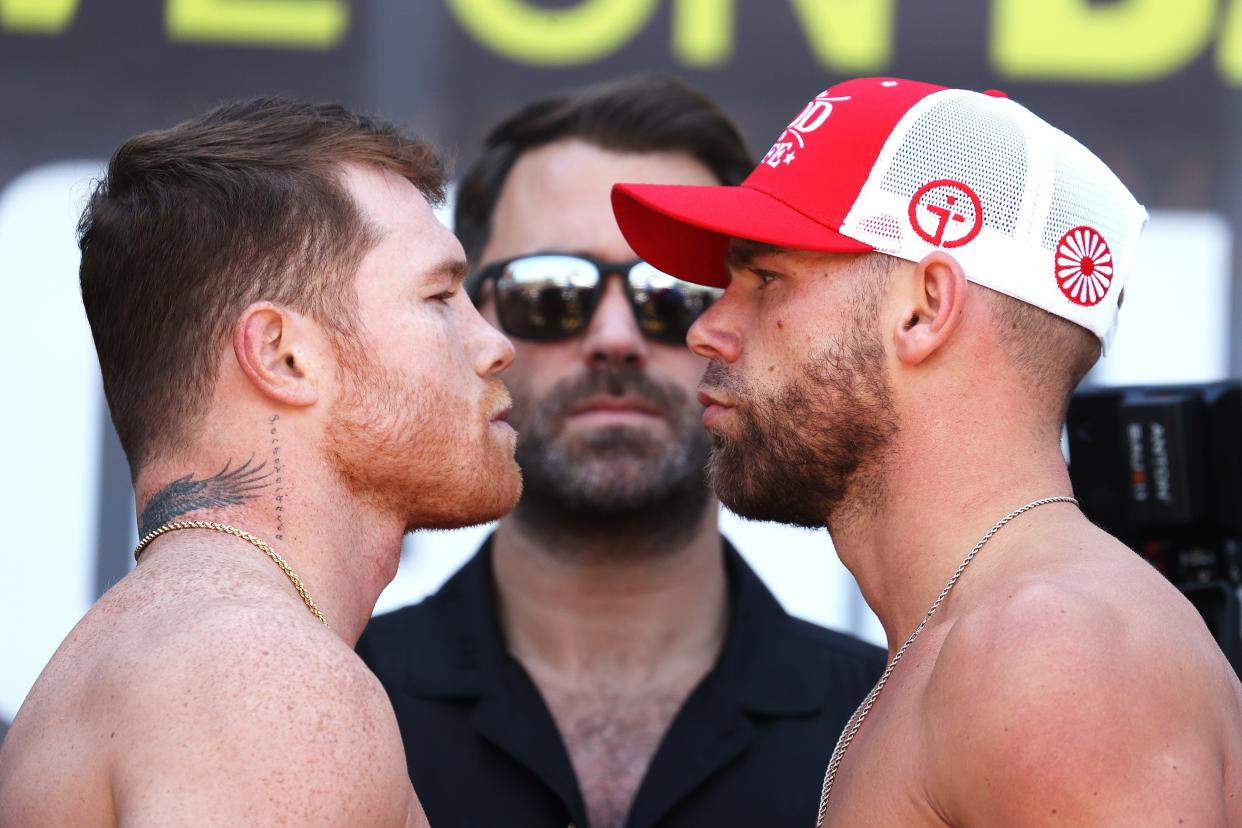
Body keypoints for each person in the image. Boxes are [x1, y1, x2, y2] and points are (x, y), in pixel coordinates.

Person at [612, 76, 1242, 825]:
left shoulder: (1050, 648)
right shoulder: (977, 638)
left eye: (764, 278)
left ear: (924, 309)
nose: (704, 329)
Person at [357, 74, 886, 828]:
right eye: (551, 292)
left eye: (674, 293)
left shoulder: (889, 725)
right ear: (470, 318)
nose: (614, 340)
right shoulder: (335, 700)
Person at [0, 97, 520, 827]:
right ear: (283, 355)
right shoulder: (263, 676)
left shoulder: (158, 654)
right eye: (439, 295)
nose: (495, 345)